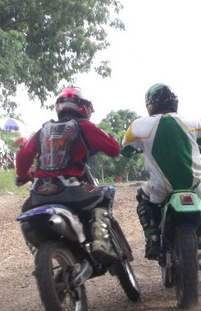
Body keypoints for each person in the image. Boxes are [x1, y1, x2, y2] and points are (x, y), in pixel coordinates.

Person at [15, 87, 122, 263]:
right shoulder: (84, 126)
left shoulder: (43, 130)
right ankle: (101, 242)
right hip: (71, 189)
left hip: (39, 193)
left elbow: (23, 156)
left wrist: (24, 175)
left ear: (59, 107)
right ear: (84, 107)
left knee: (26, 215)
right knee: (105, 193)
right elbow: (114, 149)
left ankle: (41, 251)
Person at [121, 83, 201, 259]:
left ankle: (152, 238)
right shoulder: (195, 122)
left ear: (150, 104)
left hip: (161, 188)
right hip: (194, 186)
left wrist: (139, 148)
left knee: (143, 196)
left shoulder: (138, 126)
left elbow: (125, 151)